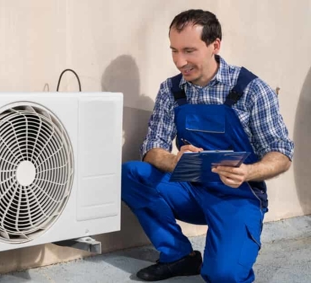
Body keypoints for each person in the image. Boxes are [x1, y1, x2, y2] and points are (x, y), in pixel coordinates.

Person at [121, 9, 294, 283]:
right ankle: (178, 256)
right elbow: (152, 147)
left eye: (189, 51)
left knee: (223, 275)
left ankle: (228, 243)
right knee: (130, 174)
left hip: (237, 195)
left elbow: (281, 153)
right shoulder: (172, 90)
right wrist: (173, 161)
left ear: (215, 45)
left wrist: (248, 172)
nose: (180, 61)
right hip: (190, 188)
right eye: (174, 51)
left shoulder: (251, 89)